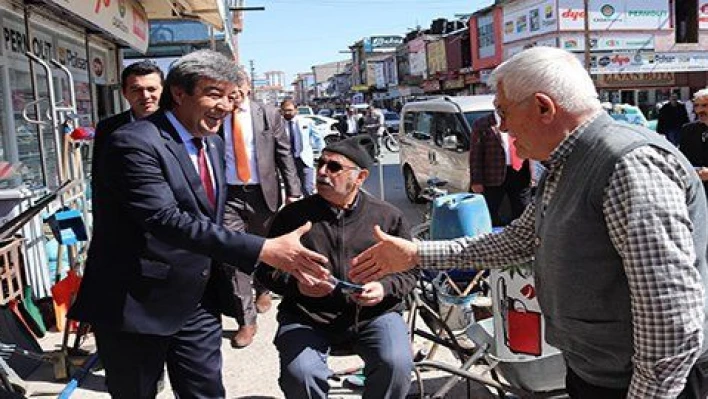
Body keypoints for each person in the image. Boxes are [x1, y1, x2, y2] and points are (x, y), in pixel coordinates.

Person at [350, 47, 708, 398]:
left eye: (503, 112)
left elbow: (670, 318)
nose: (502, 127)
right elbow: (517, 240)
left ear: (543, 107)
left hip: (645, 384)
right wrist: (416, 254)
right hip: (597, 371)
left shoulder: (625, 165)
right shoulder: (568, 162)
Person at [68, 50, 329, 398]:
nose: (226, 106)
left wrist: (275, 268)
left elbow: (211, 219)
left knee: (206, 391)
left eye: (231, 96)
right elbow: (165, 219)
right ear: (179, 93)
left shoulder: (213, 140)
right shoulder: (132, 142)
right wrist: (263, 248)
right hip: (136, 302)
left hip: (197, 298)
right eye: (214, 94)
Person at [255, 135, 416, 399]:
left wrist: (383, 288)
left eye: (334, 167)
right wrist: (298, 286)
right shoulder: (293, 217)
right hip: (307, 315)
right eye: (320, 163)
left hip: (374, 315)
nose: (321, 172)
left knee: (397, 364)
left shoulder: (387, 217)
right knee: (301, 374)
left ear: (360, 177)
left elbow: (410, 272)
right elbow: (265, 272)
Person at [221, 68, 303, 348]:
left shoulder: (267, 114)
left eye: (238, 87)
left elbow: (284, 154)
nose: (234, 93)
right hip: (228, 194)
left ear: (247, 87)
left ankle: (264, 288)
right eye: (227, 87)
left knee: (265, 248)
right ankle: (246, 319)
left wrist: (294, 191)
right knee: (233, 254)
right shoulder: (215, 115)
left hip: (263, 194)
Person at [91, 60, 163, 196]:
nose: (145, 96)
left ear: (163, 91)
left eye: (151, 89)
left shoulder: (180, 125)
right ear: (124, 93)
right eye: (136, 90)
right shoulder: (108, 129)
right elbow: (99, 180)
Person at [469, 112, 531, 226]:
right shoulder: (482, 124)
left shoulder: (519, 120)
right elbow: (475, 155)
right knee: (491, 212)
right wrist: (476, 180)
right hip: (493, 175)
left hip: (519, 172)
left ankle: (522, 237)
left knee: (523, 209)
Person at [280, 99, 324, 196]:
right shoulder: (279, 125)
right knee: (292, 191)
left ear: (296, 110)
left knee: (308, 188)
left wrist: (323, 154)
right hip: (288, 161)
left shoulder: (307, 122)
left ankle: (311, 210)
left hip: (304, 160)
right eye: (284, 110)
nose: (287, 113)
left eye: (290, 110)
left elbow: (318, 139)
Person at [679, 88, 708, 197]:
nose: (699, 110)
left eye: (704, 105)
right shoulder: (688, 130)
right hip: (697, 190)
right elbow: (682, 159)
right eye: (696, 105)